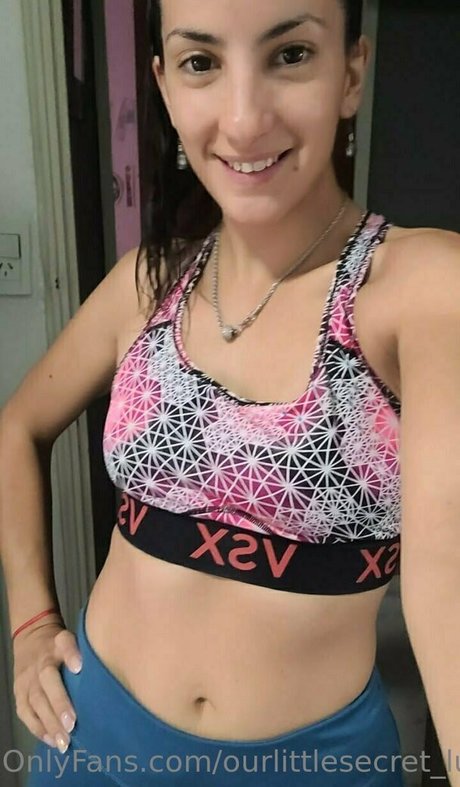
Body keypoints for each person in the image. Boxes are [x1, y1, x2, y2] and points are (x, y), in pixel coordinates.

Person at [1, 0, 460, 784]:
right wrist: (30, 625)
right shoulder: (149, 282)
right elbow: (18, 425)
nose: (245, 120)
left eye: (290, 55)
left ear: (352, 73)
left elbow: (447, 578)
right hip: (93, 740)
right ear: (165, 87)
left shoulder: (421, 287)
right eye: (201, 62)